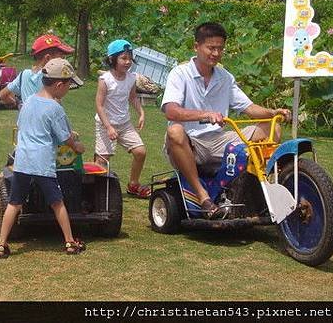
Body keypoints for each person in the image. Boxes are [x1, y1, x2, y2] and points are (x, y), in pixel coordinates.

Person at [162, 22, 291, 218]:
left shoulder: (225, 77)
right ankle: (202, 195)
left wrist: (273, 112)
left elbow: (249, 108)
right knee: (174, 131)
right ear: (196, 47)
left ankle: (264, 190)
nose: (215, 53)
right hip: (191, 142)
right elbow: (171, 111)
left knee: (272, 129)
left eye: (220, 48)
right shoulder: (180, 74)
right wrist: (205, 114)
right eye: (211, 48)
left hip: (219, 140)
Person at [0, 34, 74, 232]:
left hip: (26, 135)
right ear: (47, 58)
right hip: (44, 139)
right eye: (60, 56)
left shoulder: (25, 75)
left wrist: (18, 104)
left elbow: (3, 95)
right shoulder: (53, 80)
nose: (64, 61)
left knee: (9, 169)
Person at [0, 58, 86, 258]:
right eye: (68, 85)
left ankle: (1, 244)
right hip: (43, 163)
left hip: (23, 161)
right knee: (57, 202)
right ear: (59, 85)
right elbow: (66, 138)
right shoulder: (55, 108)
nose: (68, 89)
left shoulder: (27, 103)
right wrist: (78, 147)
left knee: (14, 202)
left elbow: (23, 126)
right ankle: (70, 242)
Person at [95, 39, 149, 198]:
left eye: (129, 58)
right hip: (105, 124)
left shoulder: (131, 78)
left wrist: (141, 113)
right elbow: (99, 105)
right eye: (123, 58)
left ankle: (133, 184)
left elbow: (132, 98)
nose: (127, 62)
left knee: (140, 152)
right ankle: (98, 193)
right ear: (112, 59)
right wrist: (109, 127)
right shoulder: (105, 79)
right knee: (103, 161)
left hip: (124, 124)